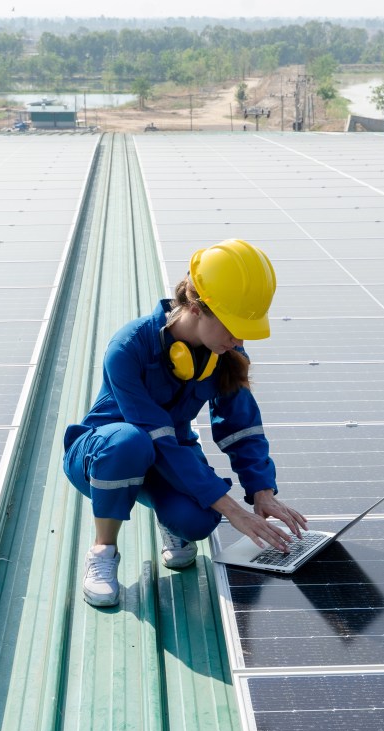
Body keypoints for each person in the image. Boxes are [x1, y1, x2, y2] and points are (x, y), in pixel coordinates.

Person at [63, 238, 308, 607]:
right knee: (131, 442)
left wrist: (261, 492)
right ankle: (103, 551)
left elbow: (241, 426)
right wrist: (232, 510)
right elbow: (155, 436)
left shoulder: (225, 351)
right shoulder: (129, 348)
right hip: (103, 454)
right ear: (196, 307)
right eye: (232, 325)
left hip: (169, 457)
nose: (238, 337)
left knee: (196, 522)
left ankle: (170, 521)